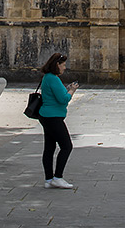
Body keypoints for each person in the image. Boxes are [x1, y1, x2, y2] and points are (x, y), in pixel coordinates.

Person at [37, 52, 78, 190]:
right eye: (63, 65)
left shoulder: (47, 78)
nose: (64, 68)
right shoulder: (53, 79)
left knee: (49, 148)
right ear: (57, 65)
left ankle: (49, 179)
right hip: (53, 117)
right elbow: (63, 99)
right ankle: (57, 177)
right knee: (67, 146)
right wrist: (72, 90)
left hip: (46, 116)